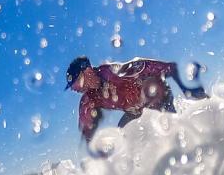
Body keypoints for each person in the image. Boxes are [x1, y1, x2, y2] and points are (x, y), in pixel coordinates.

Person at [65, 56, 209, 142]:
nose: (75, 89)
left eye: (77, 82)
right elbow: (86, 129)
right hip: (135, 111)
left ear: (88, 71)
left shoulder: (113, 73)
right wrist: (89, 138)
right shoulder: (88, 99)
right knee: (121, 135)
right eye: (73, 87)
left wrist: (185, 88)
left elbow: (170, 67)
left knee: (173, 130)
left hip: (158, 98)